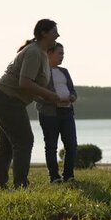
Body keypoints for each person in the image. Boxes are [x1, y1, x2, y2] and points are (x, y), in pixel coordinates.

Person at [0, 19, 62, 189]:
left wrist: (46, 98)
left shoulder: (41, 54)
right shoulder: (34, 52)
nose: (57, 35)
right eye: (54, 31)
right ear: (43, 33)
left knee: (7, 144)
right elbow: (24, 83)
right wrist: (48, 94)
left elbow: (30, 87)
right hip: (5, 98)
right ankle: (20, 185)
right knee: (24, 141)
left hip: (7, 98)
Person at [35, 42, 78, 183]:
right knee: (51, 145)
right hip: (49, 113)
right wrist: (55, 100)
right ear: (49, 53)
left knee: (71, 144)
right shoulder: (41, 72)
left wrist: (71, 97)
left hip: (67, 112)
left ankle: (68, 175)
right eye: (60, 53)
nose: (62, 56)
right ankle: (54, 177)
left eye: (63, 54)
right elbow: (38, 95)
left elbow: (72, 91)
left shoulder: (64, 71)